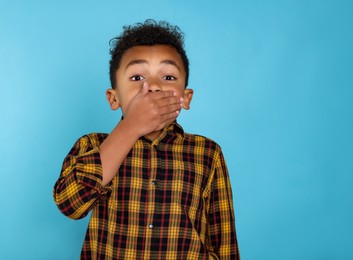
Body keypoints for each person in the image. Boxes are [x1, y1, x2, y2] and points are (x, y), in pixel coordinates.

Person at [53, 19, 240, 259]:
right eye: (137, 78)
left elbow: (224, 243)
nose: (152, 86)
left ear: (186, 98)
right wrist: (131, 126)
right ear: (114, 98)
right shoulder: (92, 146)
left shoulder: (208, 153)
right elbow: (70, 204)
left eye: (168, 77)